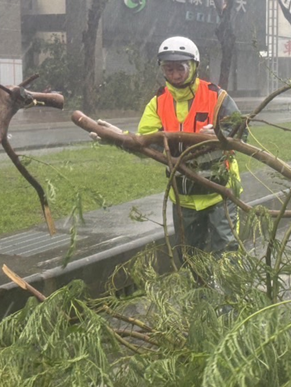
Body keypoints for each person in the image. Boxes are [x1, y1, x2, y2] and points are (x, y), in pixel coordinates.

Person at [97, 36, 243, 258]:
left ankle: (228, 294)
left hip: (219, 193)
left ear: (194, 66)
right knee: (189, 258)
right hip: (183, 196)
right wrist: (117, 138)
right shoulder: (158, 102)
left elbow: (242, 134)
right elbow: (146, 143)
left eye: (180, 69)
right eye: (168, 69)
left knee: (226, 255)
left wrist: (221, 136)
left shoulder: (217, 97)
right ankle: (199, 293)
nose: (175, 75)